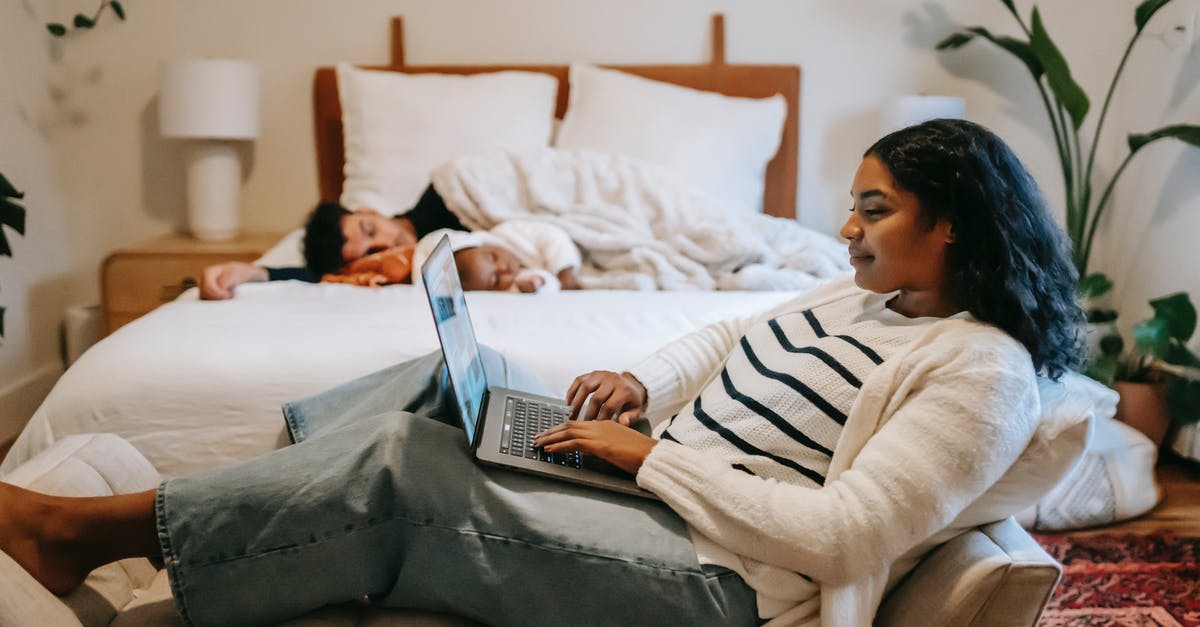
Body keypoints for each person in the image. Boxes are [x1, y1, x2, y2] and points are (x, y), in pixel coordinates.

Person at [0, 120, 1084, 626]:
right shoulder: (863, 293)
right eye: (852, 202)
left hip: (724, 578)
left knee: (405, 466)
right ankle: (260, 511)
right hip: (663, 487)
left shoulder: (981, 372)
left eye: (874, 208)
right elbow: (719, 340)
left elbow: (846, 536)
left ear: (954, 228)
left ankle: (73, 535)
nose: (842, 226)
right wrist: (639, 384)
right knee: (446, 386)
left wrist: (652, 458)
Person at [199, 184, 466, 300]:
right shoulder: (389, 270)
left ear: (369, 211)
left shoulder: (445, 198)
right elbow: (321, 276)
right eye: (371, 253)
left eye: (370, 230)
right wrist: (248, 272)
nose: (385, 245)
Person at [412, 221, 583, 293]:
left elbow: (552, 236)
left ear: (486, 244)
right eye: (494, 279)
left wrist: (565, 270)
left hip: (578, 248)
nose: (503, 269)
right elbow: (548, 284)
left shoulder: (509, 232)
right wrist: (538, 284)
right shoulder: (514, 285)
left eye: (493, 257)